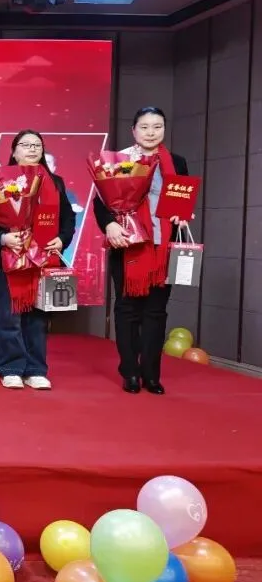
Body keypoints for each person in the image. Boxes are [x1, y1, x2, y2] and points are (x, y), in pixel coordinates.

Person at [94, 106, 189, 395]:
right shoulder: (119, 160)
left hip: (164, 244)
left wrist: (183, 214)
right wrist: (110, 225)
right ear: (133, 130)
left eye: (157, 127)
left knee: (156, 311)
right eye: (144, 127)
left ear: (164, 129)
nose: (151, 132)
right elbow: (101, 201)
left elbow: (181, 199)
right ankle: (130, 372)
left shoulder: (177, 162)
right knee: (127, 309)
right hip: (129, 242)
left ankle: (151, 374)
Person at [0, 131, 75, 390]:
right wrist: (3, 238)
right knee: (9, 316)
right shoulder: (0, 181)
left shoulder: (55, 182)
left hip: (44, 258)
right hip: (9, 256)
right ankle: (10, 368)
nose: (32, 149)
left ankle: (35, 369)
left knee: (38, 316)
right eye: (25, 145)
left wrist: (62, 239)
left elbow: (68, 218)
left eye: (37, 145)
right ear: (14, 151)